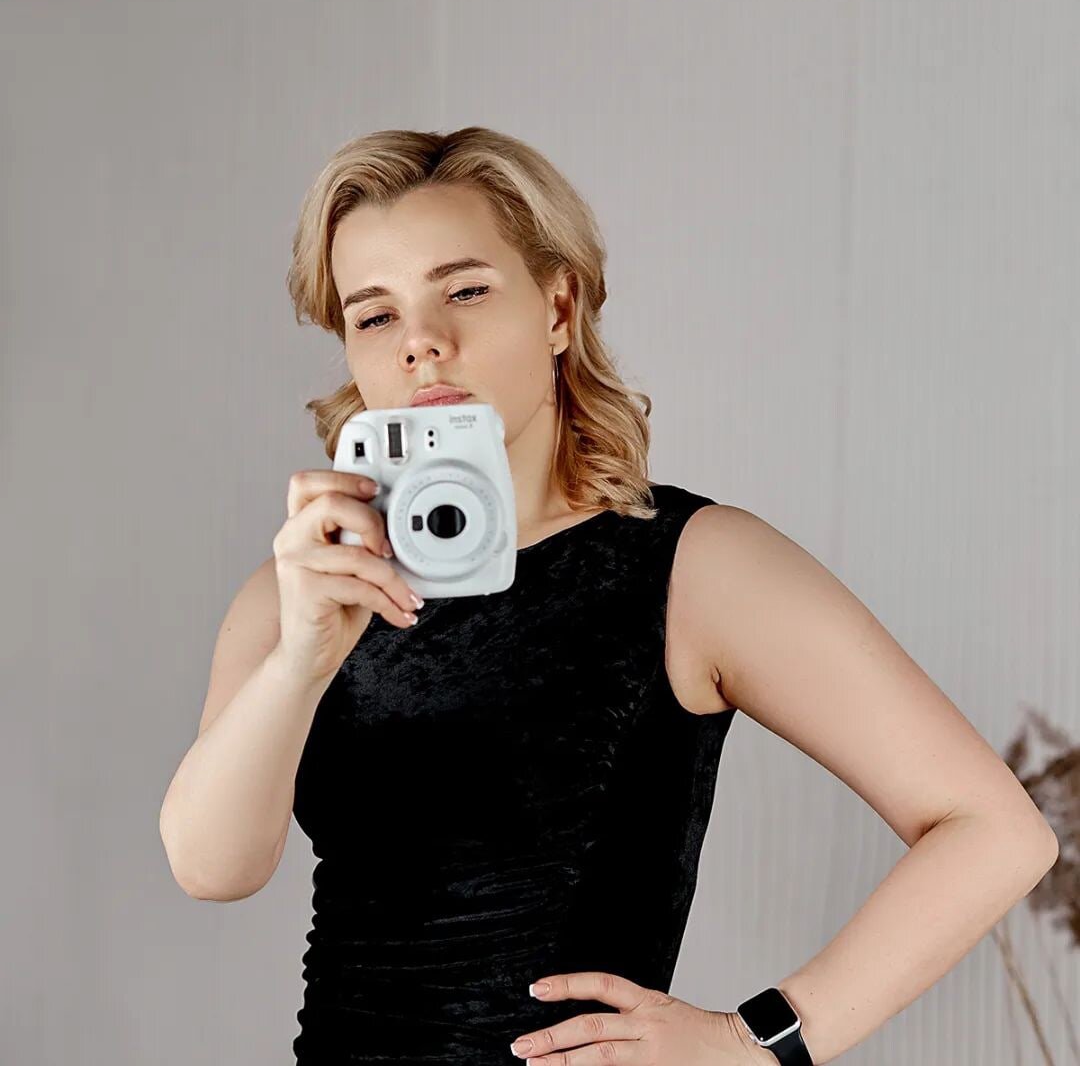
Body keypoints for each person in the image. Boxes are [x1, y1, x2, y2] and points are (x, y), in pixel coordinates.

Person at [159, 127, 1058, 1066]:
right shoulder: (301, 587)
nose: (422, 342)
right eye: (375, 316)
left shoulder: (692, 566)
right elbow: (212, 868)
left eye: (464, 291)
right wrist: (302, 658)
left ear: (558, 307)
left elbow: (995, 830)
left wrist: (752, 1043)